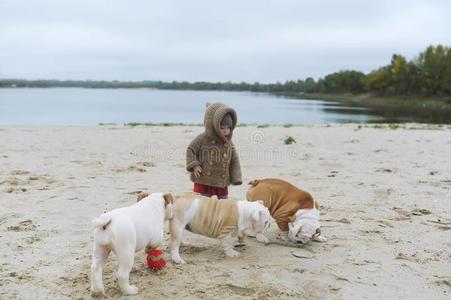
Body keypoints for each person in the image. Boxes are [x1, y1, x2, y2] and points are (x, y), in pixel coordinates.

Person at [186, 102, 242, 199]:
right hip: (203, 180)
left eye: (228, 128)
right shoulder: (203, 138)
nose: (225, 130)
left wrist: (236, 177)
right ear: (213, 125)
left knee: (221, 204)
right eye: (222, 127)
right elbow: (191, 150)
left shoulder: (228, 143)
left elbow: (234, 160)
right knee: (202, 204)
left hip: (221, 183)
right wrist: (194, 165)